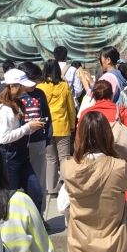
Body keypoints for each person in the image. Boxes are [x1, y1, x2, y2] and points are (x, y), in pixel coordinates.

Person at [61, 111, 127, 252]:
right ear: (107, 134)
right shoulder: (118, 167)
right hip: (116, 244)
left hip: (80, 244)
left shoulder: (68, 167)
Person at [81, 80, 127, 206]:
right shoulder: (121, 111)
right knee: (124, 206)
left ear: (94, 95)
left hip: (95, 163)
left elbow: (80, 141)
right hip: (120, 163)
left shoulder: (86, 114)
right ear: (112, 94)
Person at [0, 69, 46, 213]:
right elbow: (3, 138)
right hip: (9, 156)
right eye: (22, 85)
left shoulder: (16, 104)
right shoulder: (5, 109)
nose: (25, 89)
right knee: (10, 197)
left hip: (20, 154)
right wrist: (27, 127)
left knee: (36, 192)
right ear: (13, 86)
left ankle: (33, 223)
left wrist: (30, 127)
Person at [36, 60, 76, 195]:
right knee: (64, 158)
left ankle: (51, 188)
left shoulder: (40, 87)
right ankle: (64, 185)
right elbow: (71, 108)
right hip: (62, 125)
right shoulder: (64, 86)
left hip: (46, 127)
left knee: (51, 159)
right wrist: (72, 125)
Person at [17, 61, 53, 211]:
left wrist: (47, 139)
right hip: (18, 143)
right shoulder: (16, 96)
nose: (34, 85)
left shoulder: (39, 94)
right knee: (21, 183)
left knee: (39, 181)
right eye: (32, 81)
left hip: (38, 141)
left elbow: (47, 116)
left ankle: (39, 215)